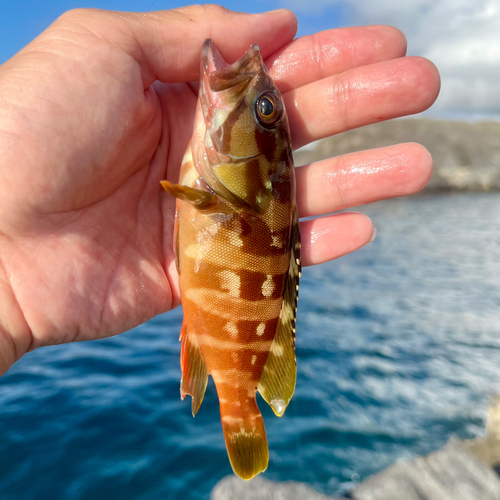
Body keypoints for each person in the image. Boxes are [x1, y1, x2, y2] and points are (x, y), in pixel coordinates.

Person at [0, 5, 440, 376]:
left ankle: (239, 405)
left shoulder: (212, 185)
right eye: (267, 110)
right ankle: (239, 403)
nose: (254, 89)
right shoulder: (219, 183)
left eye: (264, 110)